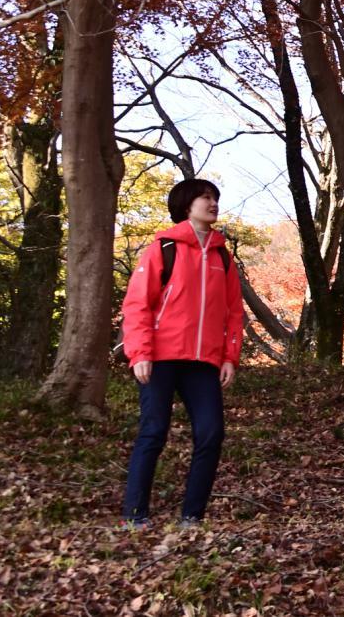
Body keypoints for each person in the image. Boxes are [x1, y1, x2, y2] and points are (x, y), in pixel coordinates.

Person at [120, 177, 244, 526]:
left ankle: (192, 515)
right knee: (154, 430)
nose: (213, 203)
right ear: (186, 205)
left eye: (215, 197)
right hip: (159, 357)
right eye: (205, 197)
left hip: (203, 362)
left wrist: (229, 357)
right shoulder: (163, 248)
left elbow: (234, 311)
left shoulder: (222, 255)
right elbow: (138, 304)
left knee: (211, 433)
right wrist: (140, 352)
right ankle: (134, 514)